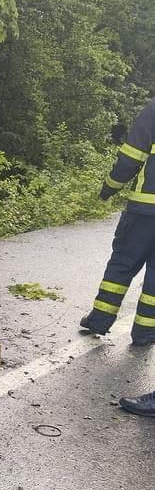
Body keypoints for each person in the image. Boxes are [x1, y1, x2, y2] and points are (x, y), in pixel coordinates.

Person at [80, 98, 155, 344]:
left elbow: (130, 158)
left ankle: (99, 321)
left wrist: (108, 189)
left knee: (122, 264)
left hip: (143, 211)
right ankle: (145, 333)